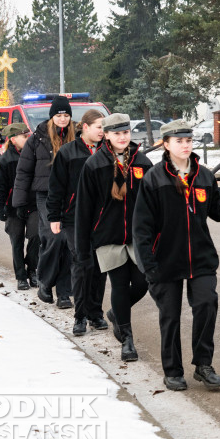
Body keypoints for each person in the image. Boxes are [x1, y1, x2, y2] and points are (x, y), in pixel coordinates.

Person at [132, 120, 220, 391]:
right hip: (165, 261)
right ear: (166, 144)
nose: (185, 145)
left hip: (200, 258)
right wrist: (148, 265)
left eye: (188, 140)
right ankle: (172, 370)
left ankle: (203, 365)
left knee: (207, 305)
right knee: (170, 316)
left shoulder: (204, 175)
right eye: (179, 141)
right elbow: (142, 227)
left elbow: (219, 209)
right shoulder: (154, 178)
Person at [76, 114, 154, 361]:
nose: (122, 137)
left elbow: (155, 203)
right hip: (107, 236)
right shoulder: (94, 165)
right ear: (107, 135)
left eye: (126, 133)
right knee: (119, 285)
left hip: (137, 236)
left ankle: (117, 314)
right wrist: (83, 246)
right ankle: (127, 340)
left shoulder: (142, 163)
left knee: (143, 283)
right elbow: (84, 208)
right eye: (117, 133)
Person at [47, 109, 108, 334]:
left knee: (100, 266)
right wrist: (54, 216)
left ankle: (96, 313)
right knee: (83, 264)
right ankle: (80, 316)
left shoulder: (108, 152)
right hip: (74, 218)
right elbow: (56, 187)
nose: (103, 131)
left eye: (105, 127)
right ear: (85, 127)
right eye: (99, 127)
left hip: (102, 219)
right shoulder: (68, 152)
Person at [15, 95, 76, 307]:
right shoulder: (38, 137)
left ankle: (65, 293)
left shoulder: (76, 135)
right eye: (59, 114)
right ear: (52, 116)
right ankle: (45, 281)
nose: (63, 118)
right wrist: (20, 202)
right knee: (53, 238)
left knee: (68, 243)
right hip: (45, 195)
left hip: (71, 195)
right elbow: (23, 171)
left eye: (66, 115)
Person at [0, 123, 38, 291]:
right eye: (23, 136)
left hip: (33, 204)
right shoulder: (5, 160)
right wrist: (0, 207)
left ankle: (32, 268)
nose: (27, 139)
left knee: (37, 236)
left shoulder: (35, 156)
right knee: (17, 241)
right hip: (12, 207)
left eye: (28, 136)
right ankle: (21, 276)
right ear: (13, 139)